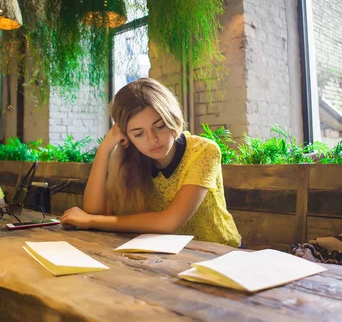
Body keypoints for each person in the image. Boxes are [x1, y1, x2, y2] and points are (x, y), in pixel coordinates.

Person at [60, 78, 241, 247]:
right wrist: (104, 149)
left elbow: (169, 222)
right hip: (166, 255)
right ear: (127, 136)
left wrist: (91, 222)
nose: (152, 139)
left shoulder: (204, 151)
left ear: (173, 119)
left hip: (220, 254)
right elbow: (93, 210)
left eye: (159, 126)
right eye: (138, 133)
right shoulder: (131, 160)